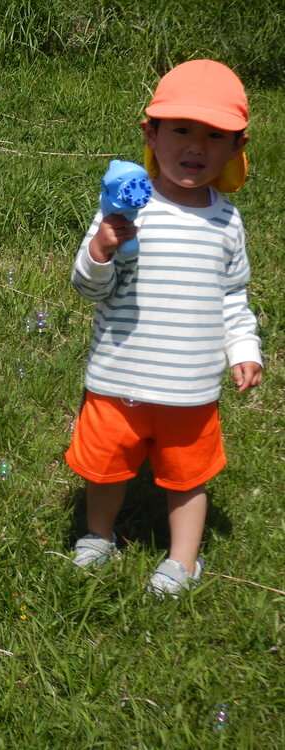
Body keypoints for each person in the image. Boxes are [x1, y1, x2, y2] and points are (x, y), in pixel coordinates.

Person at [65, 60, 262, 597]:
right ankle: (98, 535)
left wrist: (243, 347)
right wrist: (101, 250)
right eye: (181, 130)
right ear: (151, 134)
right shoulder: (128, 212)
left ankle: (182, 560)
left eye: (213, 135)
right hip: (118, 379)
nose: (196, 146)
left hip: (191, 389)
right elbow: (89, 288)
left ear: (235, 147)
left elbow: (232, 297)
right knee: (105, 469)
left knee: (187, 477)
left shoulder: (227, 221)